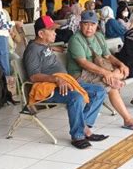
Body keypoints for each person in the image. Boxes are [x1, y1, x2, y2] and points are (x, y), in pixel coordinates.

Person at [24, 15, 108, 149]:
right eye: (51, 30)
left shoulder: (44, 45)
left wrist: (53, 48)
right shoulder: (33, 50)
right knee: (76, 97)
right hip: (51, 88)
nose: (55, 33)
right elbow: (33, 76)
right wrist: (56, 79)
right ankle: (78, 136)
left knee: (99, 91)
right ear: (41, 33)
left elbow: (45, 53)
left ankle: (83, 126)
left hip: (64, 82)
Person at [66, 11, 133, 131]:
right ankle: (127, 119)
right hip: (79, 74)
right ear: (80, 25)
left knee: (121, 72)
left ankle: (115, 78)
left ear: (96, 25)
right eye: (86, 24)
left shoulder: (98, 36)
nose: (89, 28)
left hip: (96, 72)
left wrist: (121, 64)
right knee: (111, 86)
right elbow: (83, 63)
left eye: (92, 25)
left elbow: (108, 56)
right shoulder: (75, 39)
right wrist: (106, 74)